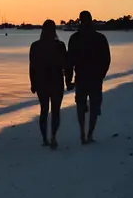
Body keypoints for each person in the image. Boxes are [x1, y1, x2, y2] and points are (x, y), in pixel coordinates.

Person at [67, 11, 111, 144]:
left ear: (80, 20)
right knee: (94, 106)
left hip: (82, 76)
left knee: (81, 105)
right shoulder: (100, 38)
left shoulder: (75, 38)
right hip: (94, 77)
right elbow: (106, 59)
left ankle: (82, 133)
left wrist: (68, 79)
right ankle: (89, 134)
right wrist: (102, 75)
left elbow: (70, 61)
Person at [29, 20, 72, 149]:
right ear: (54, 30)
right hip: (56, 81)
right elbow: (66, 65)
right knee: (55, 112)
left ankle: (45, 139)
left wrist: (33, 83)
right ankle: (53, 136)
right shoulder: (60, 45)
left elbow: (33, 67)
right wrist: (68, 81)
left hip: (42, 82)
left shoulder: (36, 46)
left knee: (44, 110)